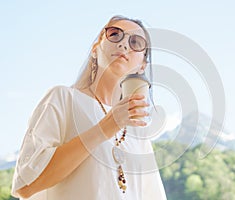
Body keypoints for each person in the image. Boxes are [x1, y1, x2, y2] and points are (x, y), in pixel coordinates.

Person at [11, 15, 167, 200]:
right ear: (95, 49)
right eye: (115, 34)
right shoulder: (62, 98)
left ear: (142, 65)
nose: (124, 44)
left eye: (136, 42)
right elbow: (26, 186)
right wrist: (107, 127)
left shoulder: (138, 131)